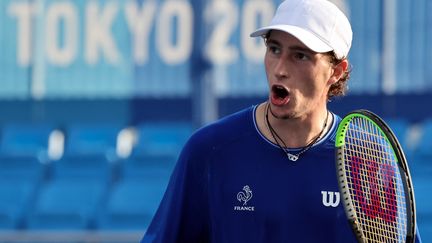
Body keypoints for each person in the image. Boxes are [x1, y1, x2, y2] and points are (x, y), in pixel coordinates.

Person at [141, 0, 422, 242]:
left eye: (300, 56)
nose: (280, 69)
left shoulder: (369, 162)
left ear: (336, 71)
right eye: (274, 49)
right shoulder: (208, 151)